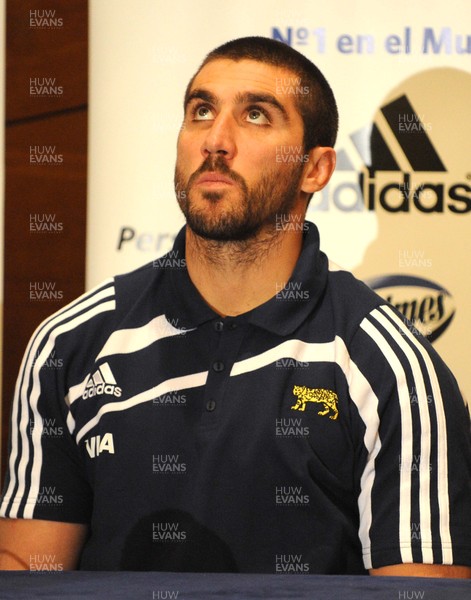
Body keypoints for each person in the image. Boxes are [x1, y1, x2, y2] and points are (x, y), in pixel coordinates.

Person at [1, 36, 471, 577]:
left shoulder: (393, 367)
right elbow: (27, 580)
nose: (216, 141)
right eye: (201, 111)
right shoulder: (68, 345)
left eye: (255, 115)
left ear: (314, 170)